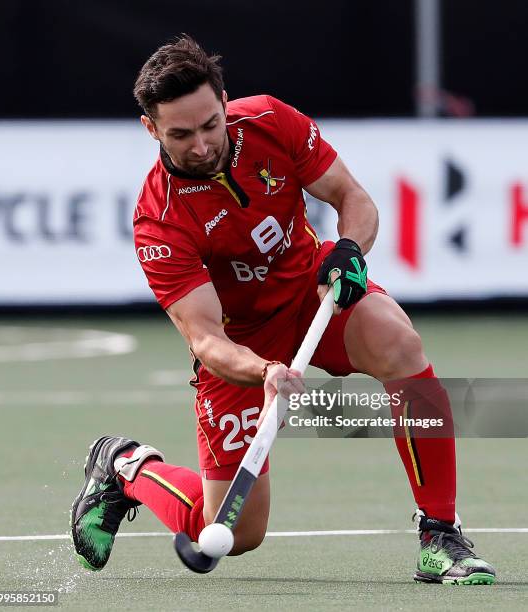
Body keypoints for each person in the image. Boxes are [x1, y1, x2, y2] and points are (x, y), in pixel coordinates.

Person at [70, 35, 495, 585]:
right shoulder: (161, 221)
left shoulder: (271, 120)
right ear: (151, 129)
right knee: (232, 532)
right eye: (180, 134)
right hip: (241, 341)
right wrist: (263, 370)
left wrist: (348, 251)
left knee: (400, 345)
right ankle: (127, 466)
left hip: (309, 291)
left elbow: (353, 199)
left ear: (225, 103)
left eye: (209, 125)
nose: (201, 146)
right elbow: (205, 340)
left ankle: (440, 534)